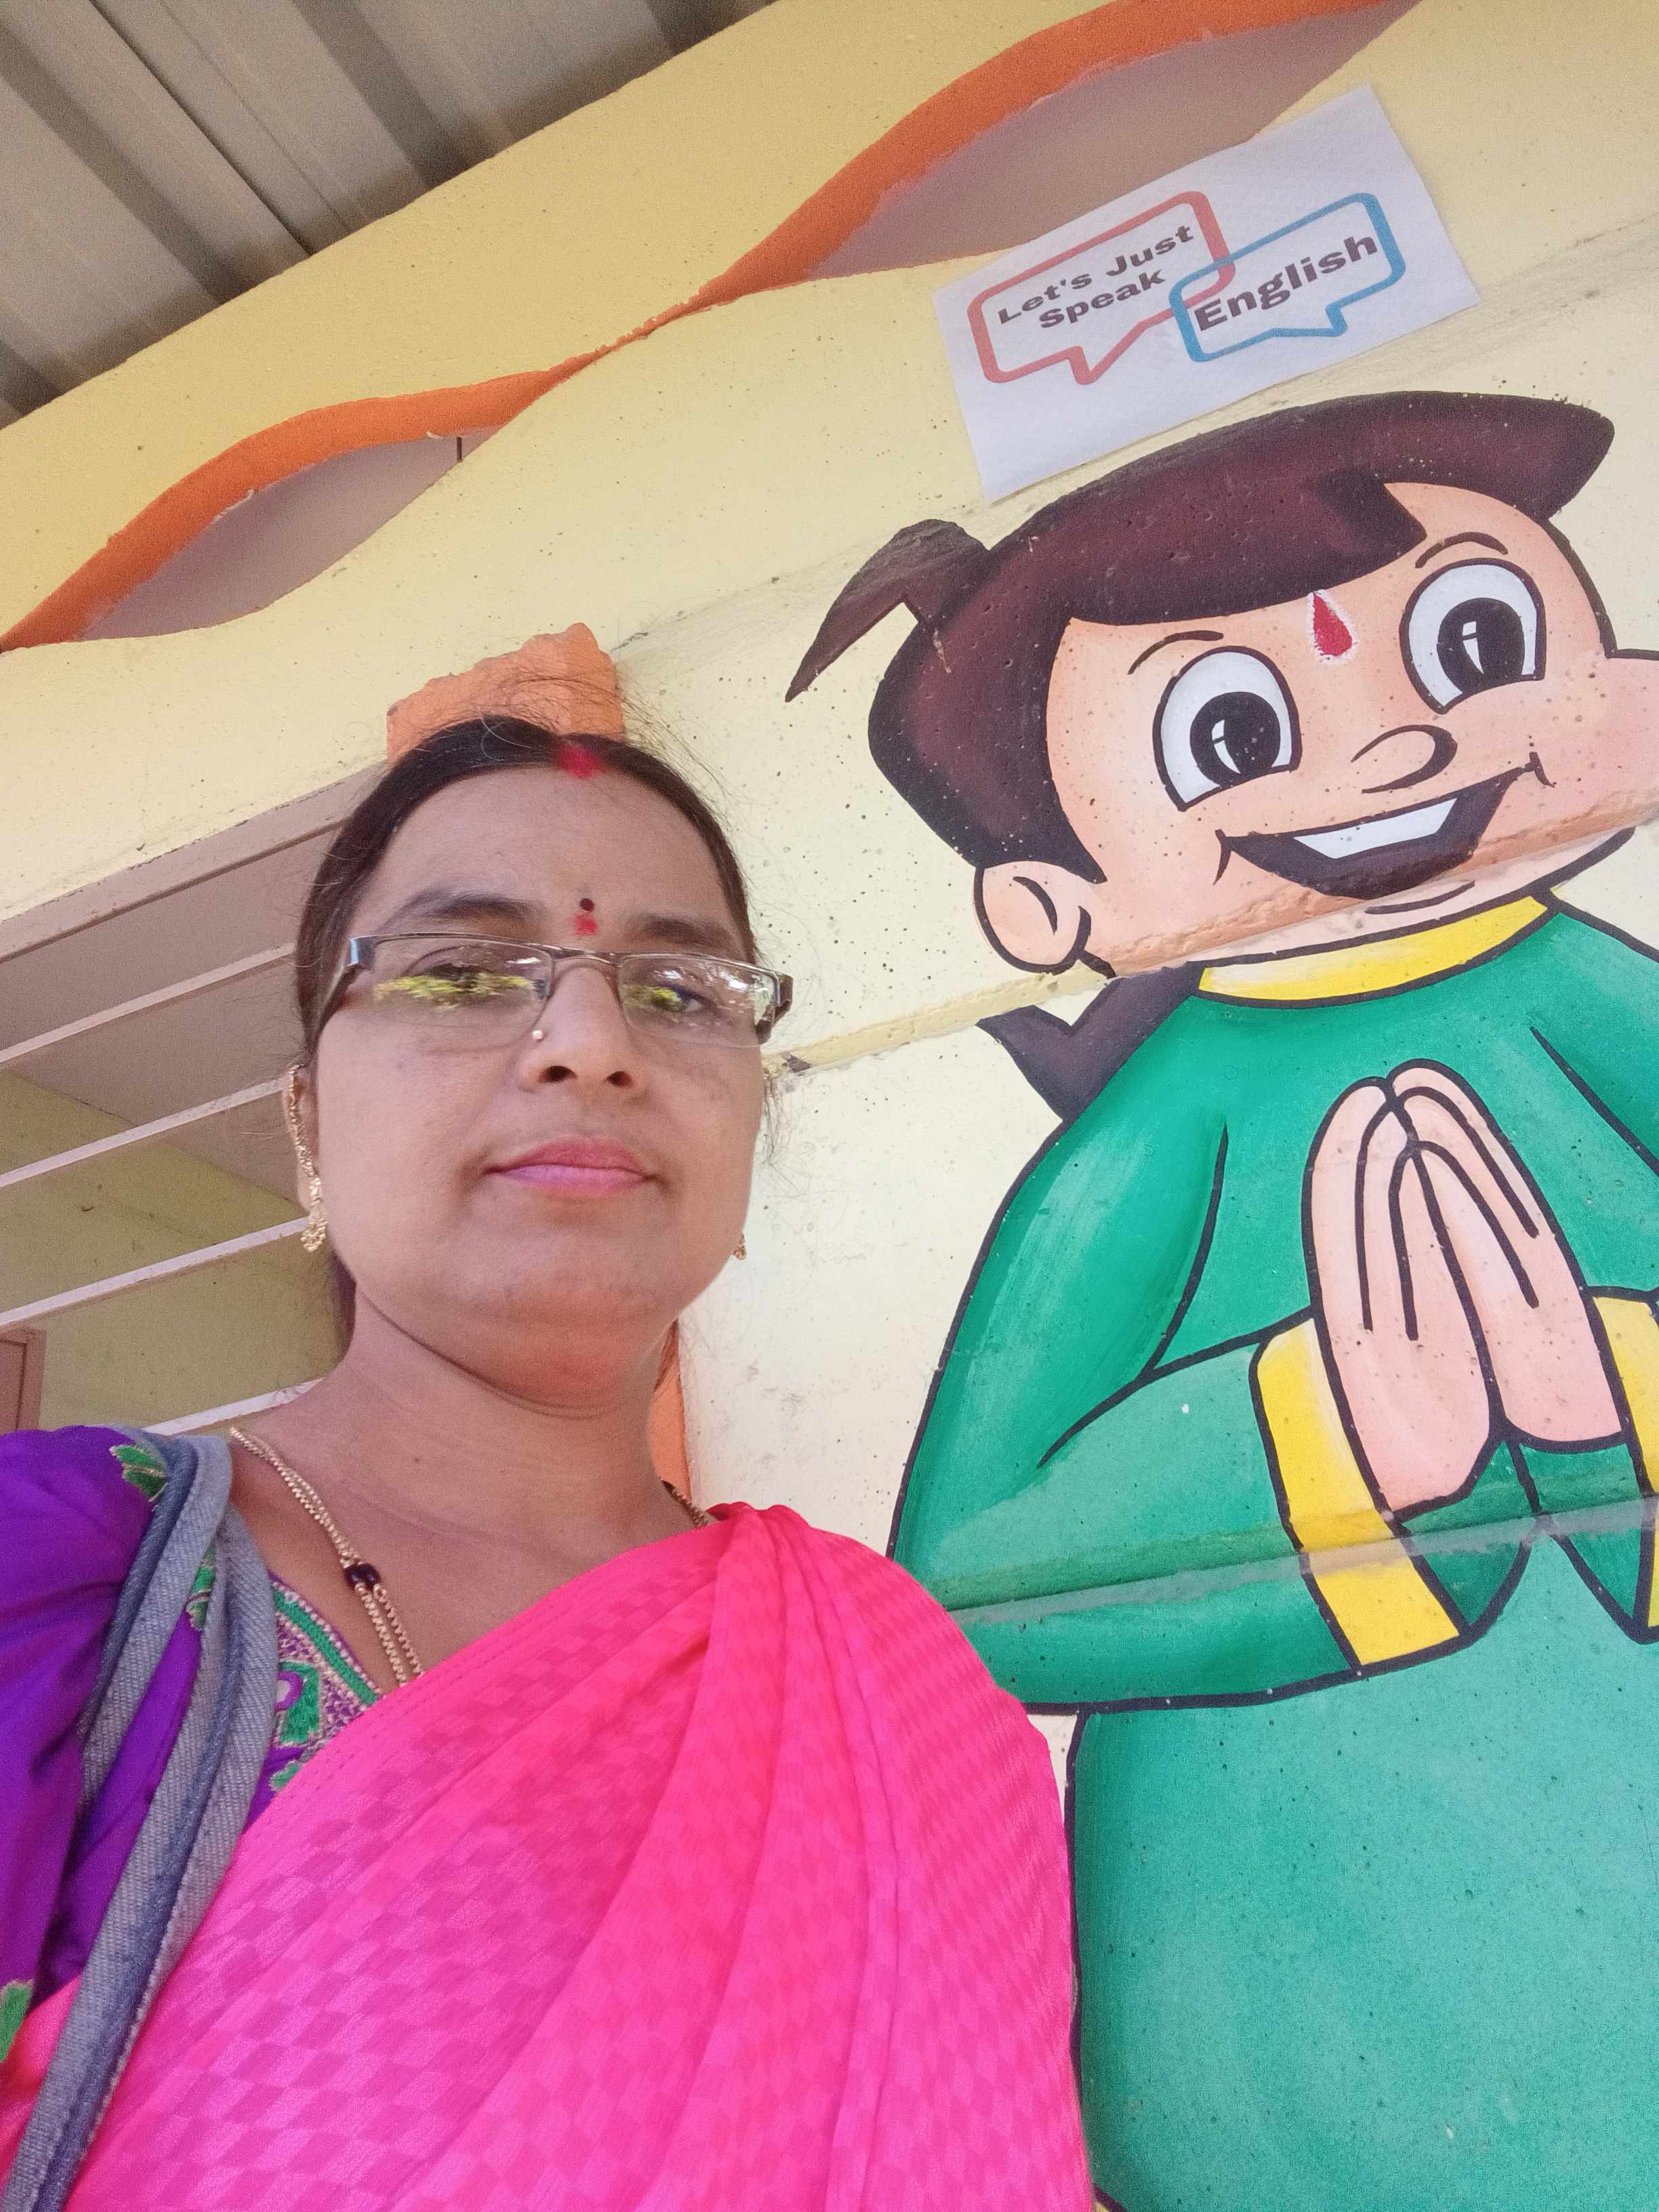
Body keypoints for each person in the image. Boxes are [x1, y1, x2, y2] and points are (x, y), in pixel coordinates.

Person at [0, 713, 1090, 2211]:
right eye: (462, 973)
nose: (592, 1045)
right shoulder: (50, 1585)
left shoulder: (907, 1702)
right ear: (307, 1124)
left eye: (682, 991)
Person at [791, 390, 1659, 2207]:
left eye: (1475, 642)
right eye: (1236, 732)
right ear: (1045, 905)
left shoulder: (1604, 1005)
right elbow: (969, 1585)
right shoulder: (1139, 1155)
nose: (1401, 740)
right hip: (1287, 1992)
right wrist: (1328, 1445)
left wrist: (1622, 1388)